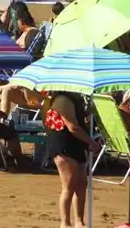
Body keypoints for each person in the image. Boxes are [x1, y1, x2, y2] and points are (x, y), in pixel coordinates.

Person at [45, 90, 93, 228]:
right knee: (69, 186)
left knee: (81, 184)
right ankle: (65, 223)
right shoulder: (62, 100)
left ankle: (79, 221)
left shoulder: (76, 98)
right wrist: (92, 143)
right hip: (64, 144)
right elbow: (73, 127)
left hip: (77, 144)